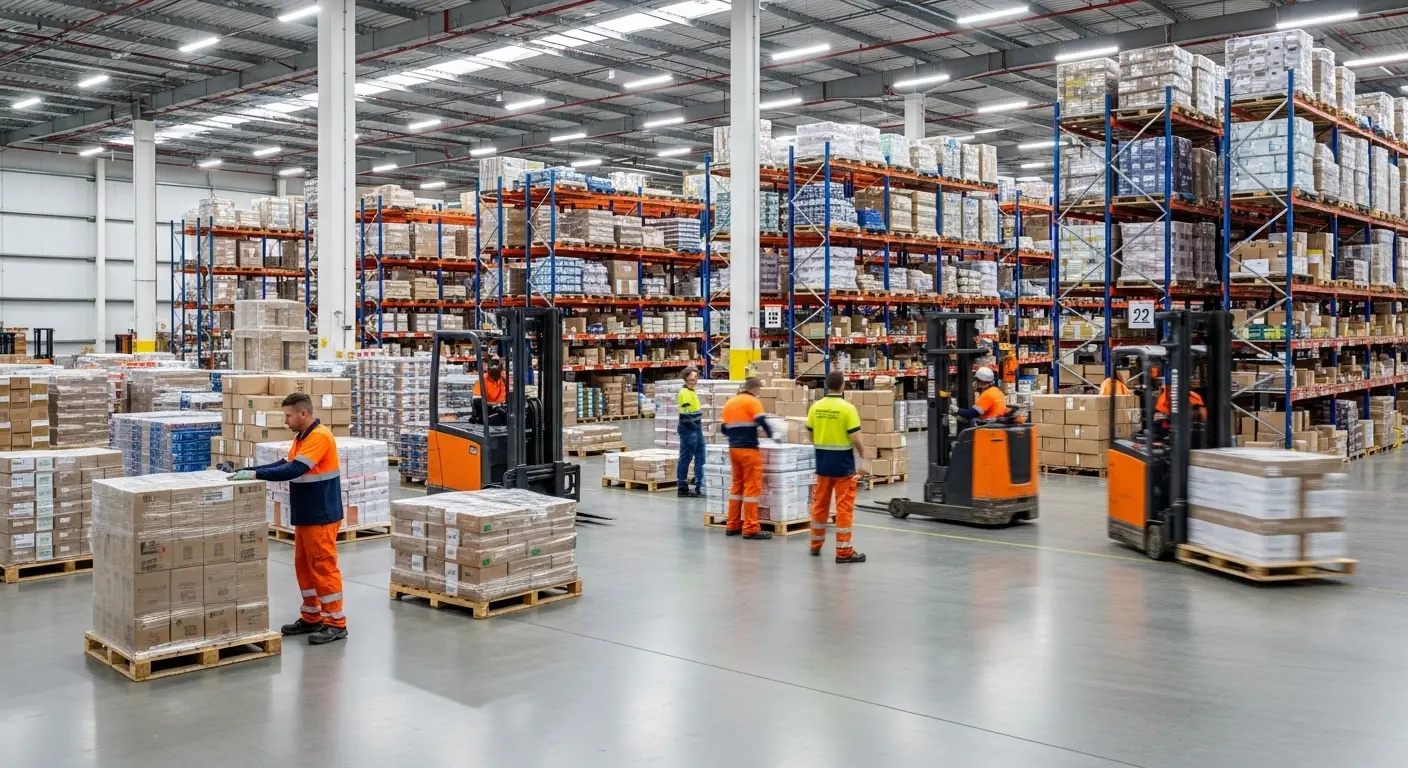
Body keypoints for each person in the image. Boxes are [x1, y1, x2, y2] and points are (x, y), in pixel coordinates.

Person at [227, 392, 347, 645]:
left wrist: (255, 476)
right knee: (304, 567)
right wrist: (249, 470)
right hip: (306, 513)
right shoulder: (301, 438)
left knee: (323, 567)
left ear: (303, 413)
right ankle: (312, 616)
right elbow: (285, 462)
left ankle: (336, 623)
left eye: (288, 415)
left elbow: (295, 469)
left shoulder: (319, 437)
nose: (285, 420)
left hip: (321, 514)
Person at [806, 371, 867, 564]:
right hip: (843, 466)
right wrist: (863, 456)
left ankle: (815, 544)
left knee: (819, 504)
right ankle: (844, 551)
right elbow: (855, 437)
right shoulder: (848, 409)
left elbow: (810, 433)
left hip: (823, 463)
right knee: (844, 508)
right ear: (842, 386)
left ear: (826, 385)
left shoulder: (815, 407)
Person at [720, 377, 775, 540]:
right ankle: (750, 527)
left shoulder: (730, 402)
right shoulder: (753, 402)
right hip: (749, 450)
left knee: (737, 486)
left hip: (734, 449)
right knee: (752, 487)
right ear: (755, 388)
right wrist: (773, 436)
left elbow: (724, 429)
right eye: (759, 389)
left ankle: (732, 524)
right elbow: (763, 422)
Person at [675, 366, 705, 498]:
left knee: (701, 455)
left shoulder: (692, 391)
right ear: (686, 378)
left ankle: (700, 484)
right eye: (692, 377)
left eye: (696, 377)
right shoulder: (685, 392)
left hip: (696, 427)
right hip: (688, 427)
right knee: (686, 457)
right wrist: (694, 426)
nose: (694, 379)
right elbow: (685, 415)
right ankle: (682, 486)